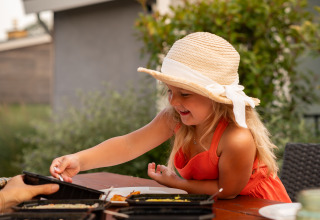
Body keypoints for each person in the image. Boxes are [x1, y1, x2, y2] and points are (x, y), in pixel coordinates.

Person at [50, 32, 291, 202]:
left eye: (184, 93)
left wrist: (176, 183)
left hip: (254, 208)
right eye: (170, 91)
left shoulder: (236, 137)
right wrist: (80, 160)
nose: (173, 102)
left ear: (216, 97)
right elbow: (128, 145)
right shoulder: (175, 118)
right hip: (210, 205)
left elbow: (226, 190)